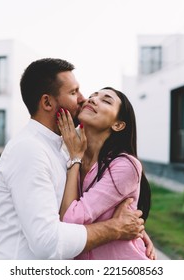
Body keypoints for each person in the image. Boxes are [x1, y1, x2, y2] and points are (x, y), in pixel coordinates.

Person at [0, 58, 153, 259]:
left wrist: (136, 231)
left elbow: (95, 204)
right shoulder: (29, 150)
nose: (84, 99)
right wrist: (115, 229)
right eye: (74, 93)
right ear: (47, 102)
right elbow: (48, 242)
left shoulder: (64, 152)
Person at [57, 86, 155, 259]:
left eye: (106, 100)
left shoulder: (125, 165)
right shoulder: (70, 156)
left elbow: (70, 220)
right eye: (93, 96)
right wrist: (116, 226)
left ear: (118, 125)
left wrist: (75, 159)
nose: (92, 99)